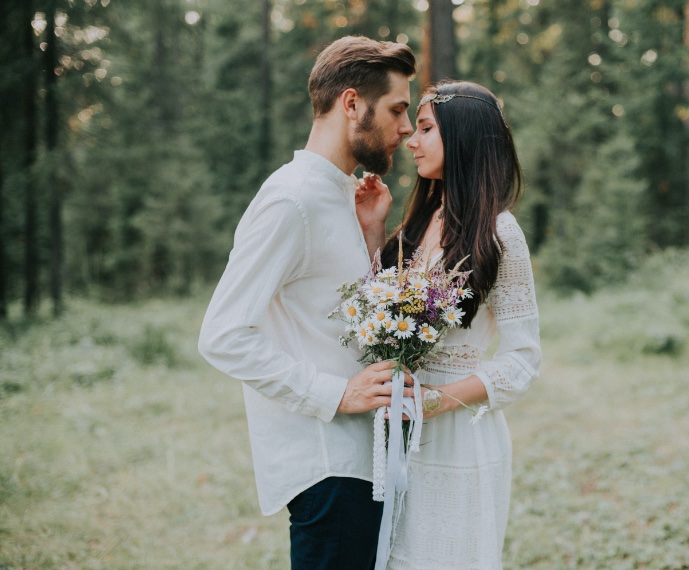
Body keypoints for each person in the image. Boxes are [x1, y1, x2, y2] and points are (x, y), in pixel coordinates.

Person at [197, 36, 416, 569]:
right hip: (328, 468)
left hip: (361, 460)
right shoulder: (291, 198)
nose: (406, 128)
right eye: (396, 110)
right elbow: (223, 335)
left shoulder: (341, 194)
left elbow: (329, 314)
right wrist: (334, 393)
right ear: (351, 105)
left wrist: (369, 238)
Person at [373, 81, 542, 569]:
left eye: (425, 129)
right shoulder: (421, 219)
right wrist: (372, 228)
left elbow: (522, 361)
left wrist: (431, 403)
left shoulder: (499, 232)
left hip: (458, 436)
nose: (411, 139)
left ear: (463, 138)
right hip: (395, 426)